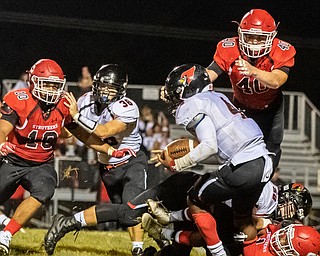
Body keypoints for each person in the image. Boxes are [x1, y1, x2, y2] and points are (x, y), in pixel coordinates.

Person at [44, 63, 273, 255]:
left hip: (201, 175)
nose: (170, 96)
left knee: (138, 214)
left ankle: (159, 230)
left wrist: (178, 163)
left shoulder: (193, 104)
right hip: (245, 167)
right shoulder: (215, 100)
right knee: (138, 214)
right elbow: (213, 144)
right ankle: (164, 231)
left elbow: (209, 145)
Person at [0, 59, 132, 254]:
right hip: (12, 159)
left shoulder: (63, 104)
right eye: (47, 84)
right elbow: (2, 128)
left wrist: (109, 150)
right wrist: (2, 143)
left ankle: (6, 234)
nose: (51, 90)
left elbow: (82, 135)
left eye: (55, 85)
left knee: (44, 189)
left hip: (40, 164)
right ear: (33, 82)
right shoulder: (18, 99)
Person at [46, 64, 148, 256]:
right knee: (125, 213)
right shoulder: (85, 101)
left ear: (121, 90)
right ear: (95, 85)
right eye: (102, 86)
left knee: (132, 206)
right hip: (107, 165)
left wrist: (76, 116)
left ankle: (138, 248)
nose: (105, 92)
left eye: (111, 88)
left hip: (131, 160)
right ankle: (138, 248)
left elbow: (103, 131)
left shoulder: (126, 107)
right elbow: (68, 133)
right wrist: (57, 119)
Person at [206, 9, 296, 170]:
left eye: (260, 38)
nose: (254, 42)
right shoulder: (229, 48)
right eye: (249, 36)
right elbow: (208, 75)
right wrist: (181, 84)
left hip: (271, 107)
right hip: (242, 106)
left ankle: (264, 184)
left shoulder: (282, 50)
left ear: (271, 37)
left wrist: (254, 71)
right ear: (240, 34)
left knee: (272, 148)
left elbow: (276, 81)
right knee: (236, 150)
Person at [143, 182, 313, 255]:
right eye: (293, 209)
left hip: (233, 237)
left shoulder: (281, 225)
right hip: (221, 211)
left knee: (202, 239)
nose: (289, 215)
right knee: (195, 238)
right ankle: (166, 226)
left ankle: (163, 233)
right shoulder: (268, 195)